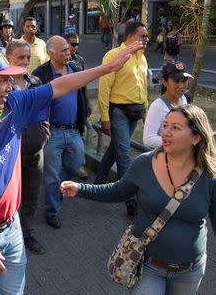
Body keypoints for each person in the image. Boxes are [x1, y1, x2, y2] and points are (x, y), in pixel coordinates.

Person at [0, 42, 143, 294]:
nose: (12, 86)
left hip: (12, 231)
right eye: (4, 80)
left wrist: (107, 68)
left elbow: (58, 86)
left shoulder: (12, 106)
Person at [62, 104, 216, 295]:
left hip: (189, 271)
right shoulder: (145, 163)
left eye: (175, 128)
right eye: (165, 125)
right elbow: (118, 191)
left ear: (196, 137)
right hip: (149, 265)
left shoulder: (210, 175)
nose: (166, 132)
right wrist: (81, 189)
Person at [32, 36, 87, 229]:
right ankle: (51, 210)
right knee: (51, 176)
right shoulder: (41, 74)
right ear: (50, 53)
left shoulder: (76, 71)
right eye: (63, 50)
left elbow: (83, 98)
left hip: (73, 131)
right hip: (52, 133)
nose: (68, 52)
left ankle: (55, 194)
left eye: (68, 49)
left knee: (74, 167)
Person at [95, 22, 149, 217]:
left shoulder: (142, 58)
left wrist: (146, 112)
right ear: (131, 37)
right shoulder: (112, 56)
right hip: (118, 111)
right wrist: (105, 117)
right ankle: (131, 201)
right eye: (143, 36)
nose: (146, 39)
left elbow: (143, 86)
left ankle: (100, 179)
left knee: (115, 149)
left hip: (136, 111)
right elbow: (104, 88)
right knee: (124, 154)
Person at [6, 40, 49, 254]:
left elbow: (44, 112)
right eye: (20, 57)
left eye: (27, 58)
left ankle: (27, 233)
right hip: (11, 155)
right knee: (11, 197)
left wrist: (43, 134)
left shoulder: (36, 82)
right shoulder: (2, 85)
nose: (25, 61)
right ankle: (9, 237)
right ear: (8, 59)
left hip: (35, 152)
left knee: (32, 195)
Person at [143, 62, 192, 149]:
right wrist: (176, 144)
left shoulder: (184, 99)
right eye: (176, 81)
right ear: (164, 82)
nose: (181, 86)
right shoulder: (157, 107)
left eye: (184, 81)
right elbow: (148, 139)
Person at [65, 32, 92, 178]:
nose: (75, 47)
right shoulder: (58, 60)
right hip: (64, 105)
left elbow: (84, 83)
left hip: (78, 104)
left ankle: (80, 165)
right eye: (72, 44)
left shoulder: (79, 61)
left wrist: (87, 102)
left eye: (77, 44)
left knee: (79, 134)